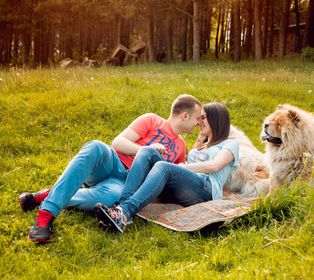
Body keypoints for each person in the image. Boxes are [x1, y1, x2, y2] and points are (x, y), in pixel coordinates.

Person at [19, 94, 202, 243]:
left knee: (109, 198)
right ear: (185, 115)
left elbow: (172, 176)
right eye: (197, 118)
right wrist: (145, 150)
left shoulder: (181, 147)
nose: (199, 123)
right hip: (111, 162)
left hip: (125, 184)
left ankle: (46, 195)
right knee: (95, 147)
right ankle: (45, 216)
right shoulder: (152, 120)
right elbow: (118, 142)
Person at [94, 102, 239, 233]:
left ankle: (126, 211)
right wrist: (180, 167)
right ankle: (121, 209)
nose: (198, 122)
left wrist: (182, 166)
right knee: (147, 151)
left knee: (164, 166)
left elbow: (214, 166)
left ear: (216, 120)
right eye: (199, 118)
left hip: (207, 190)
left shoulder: (230, 144)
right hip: (187, 187)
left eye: (203, 118)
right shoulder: (198, 147)